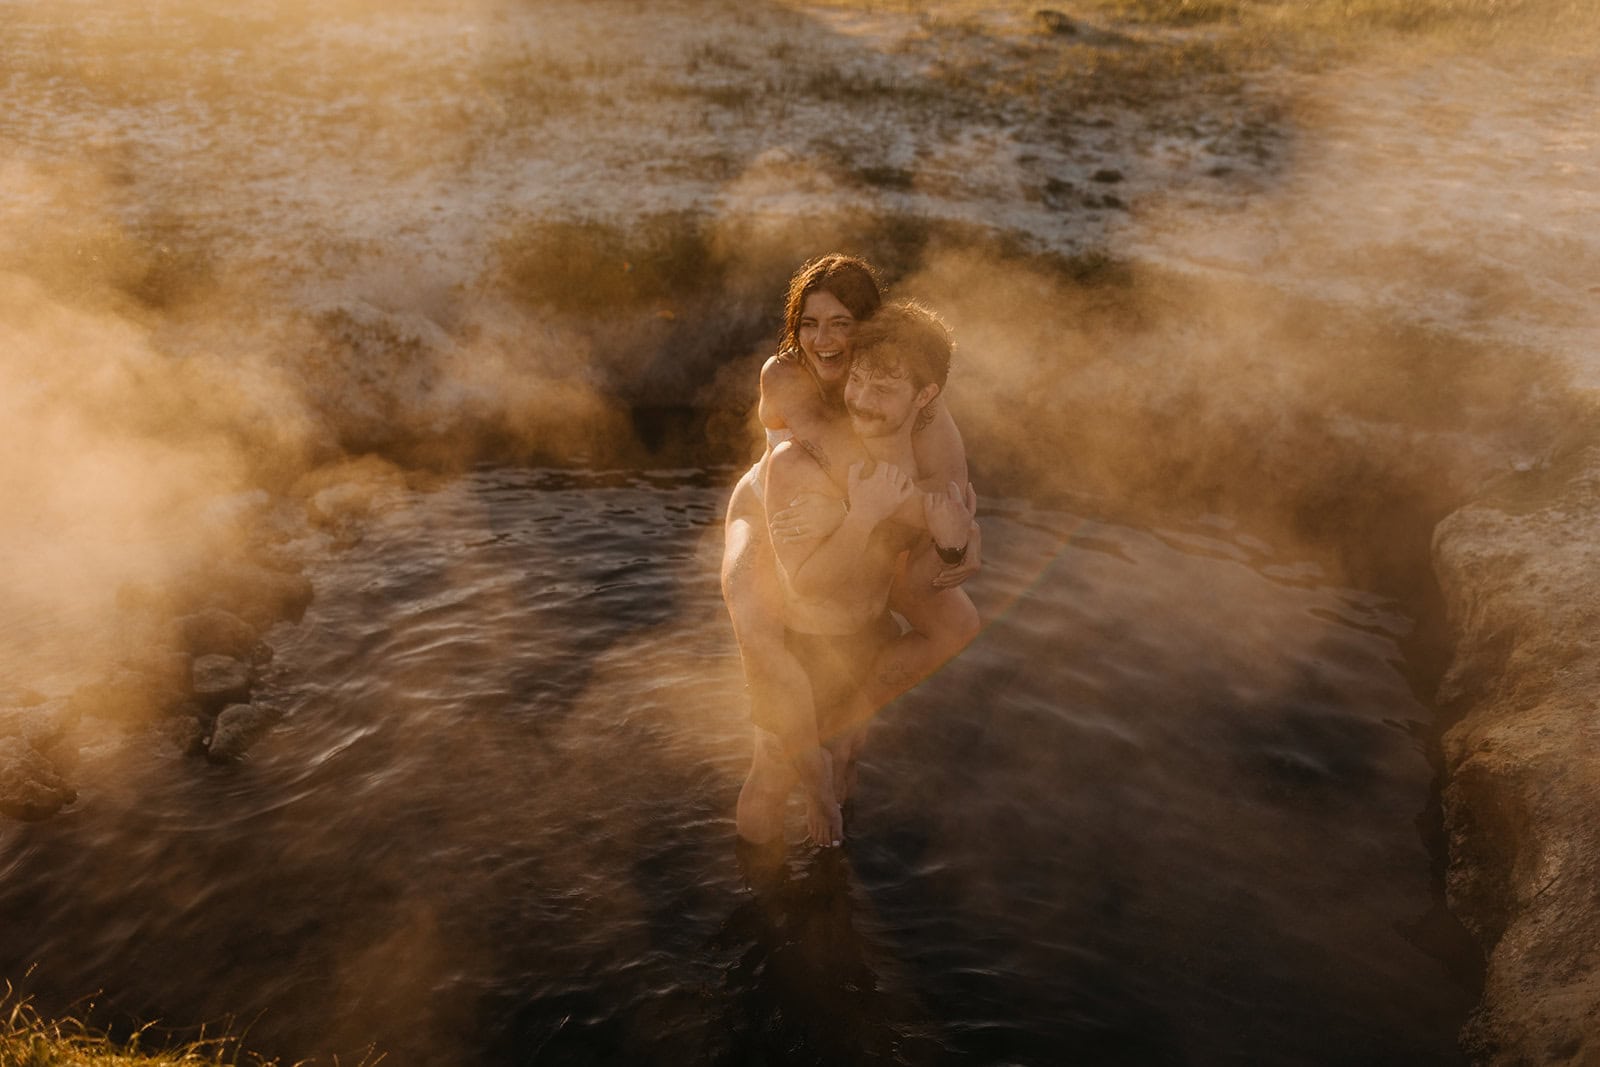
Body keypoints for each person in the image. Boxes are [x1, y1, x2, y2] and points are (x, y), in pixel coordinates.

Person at [734, 301, 976, 848]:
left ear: (925, 397)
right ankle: (759, 890)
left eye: (883, 388)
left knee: (846, 755)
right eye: (858, 379)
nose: (862, 399)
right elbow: (807, 583)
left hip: (863, 635)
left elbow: (939, 563)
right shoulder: (798, 464)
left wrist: (957, 545)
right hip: (799, 637)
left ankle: (832, 873)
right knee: (773, 773)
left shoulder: (920, 458)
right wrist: (860, 518)